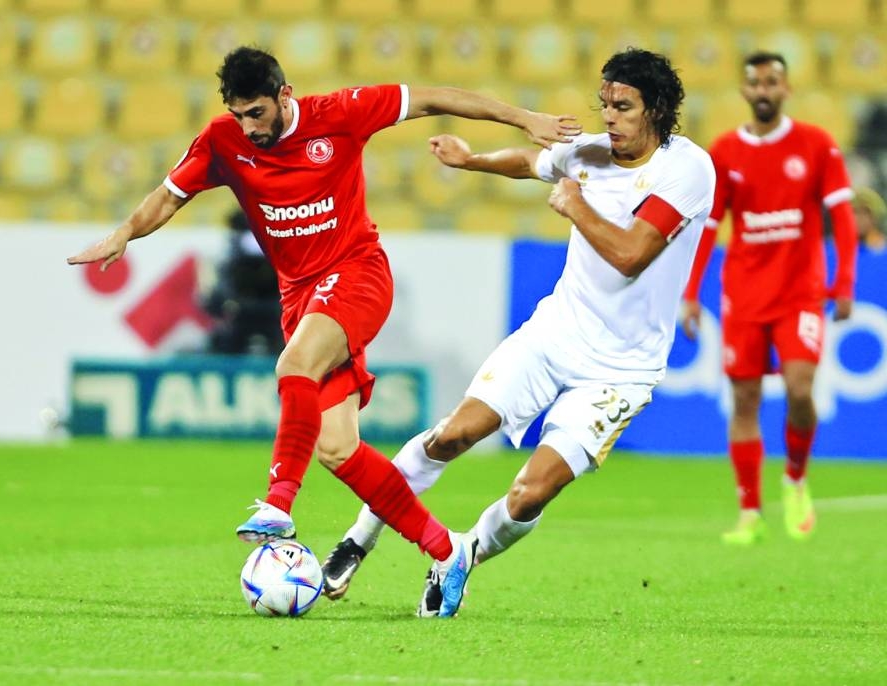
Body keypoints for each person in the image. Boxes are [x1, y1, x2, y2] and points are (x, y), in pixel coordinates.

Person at [67, 46, 580, 617]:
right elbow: (169, 195)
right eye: (239, 115)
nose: (249, 127)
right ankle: (447, 550)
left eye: (257, 113)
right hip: (300, 297)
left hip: (358, 275)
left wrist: (525, 118)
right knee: (338, 450)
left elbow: (434, 96)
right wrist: (123, 235)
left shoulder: (341, 113)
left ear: (285, 96)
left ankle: (278, 505)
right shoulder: (222, 140)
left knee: (293, 366)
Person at [321, 48, 715, 615]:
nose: (609, 117)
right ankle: (358, 539)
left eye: (623, 107)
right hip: (553, 336)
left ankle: (460, 557)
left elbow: (632, 255)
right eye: (604, 104)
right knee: (453, 435)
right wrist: (471, 160)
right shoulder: (590, 155)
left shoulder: (687, 169)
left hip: (621, 369)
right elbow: (533, 162)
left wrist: (576, 206)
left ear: (656, 110)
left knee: (531, 492)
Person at [680, 52, 858, 545]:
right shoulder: (726, 152)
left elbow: (842, 221)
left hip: (800, 293)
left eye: (772, 82)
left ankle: (796, 479)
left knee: (801, 389)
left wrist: (843, 284)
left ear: (786, 89)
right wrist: (692, 293)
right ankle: (750, 513)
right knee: (744, 399)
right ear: (744, 91)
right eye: (755, 82)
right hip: (743, 295)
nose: (763, 90)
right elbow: (710, 226)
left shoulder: (816, 145)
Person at [201, 208, 283, 355]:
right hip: (240, 312)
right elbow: (214, 300)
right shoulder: (230, 260)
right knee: (224, 342)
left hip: (274, 311)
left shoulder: (280, 255)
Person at [854, 186, 887, 254]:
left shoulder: (882, 251)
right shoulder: (833, 250)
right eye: (854, 212)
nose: (858, 219)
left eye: (864, 213)